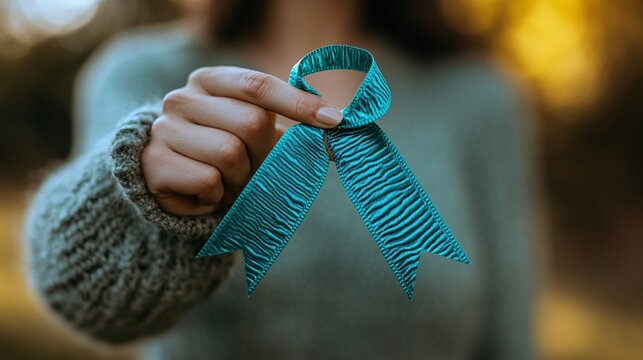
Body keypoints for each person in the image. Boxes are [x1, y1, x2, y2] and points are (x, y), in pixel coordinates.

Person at [23, 0, 537, 358]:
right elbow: (84, 297)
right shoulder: (142, 75)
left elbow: (509, 340)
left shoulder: (478, 101)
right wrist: (151, 186)